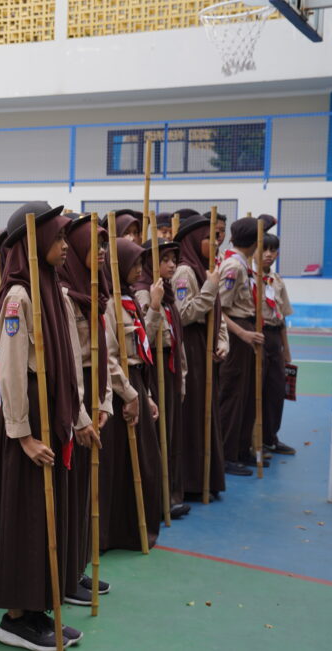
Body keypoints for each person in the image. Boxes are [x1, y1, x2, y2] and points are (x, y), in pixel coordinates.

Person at [0, 202, 93, 650]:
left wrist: (79, 416)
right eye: (58, 237)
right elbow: (9, 371)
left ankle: (38, 607)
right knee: (26, 517)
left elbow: (70, 362)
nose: (65, 246)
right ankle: (15, 617)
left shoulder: (54, 291)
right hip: (26, 420)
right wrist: (23, 435)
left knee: (48, 519)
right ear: (36, 241)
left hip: (53, 415)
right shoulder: (18, 297)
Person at [57, 215, 113, 604]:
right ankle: (67, 573)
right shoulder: (64, 295)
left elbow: (106, 352)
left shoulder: (95, 290)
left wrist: (105, 399)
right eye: (96, 245)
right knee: (72, 491)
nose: (103, 252)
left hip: (93, 390)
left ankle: (77, 567)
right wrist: (80, 413)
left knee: (84, 491)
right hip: (73, 396)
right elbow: (70, 363)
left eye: (105, 245)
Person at [100, 238, 162, 552]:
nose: (139, 270)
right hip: (118, 389)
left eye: (141, 264)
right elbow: (109, 357)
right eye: (134, 264)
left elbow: (142, 347)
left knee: (145, 463)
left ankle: (135, 528)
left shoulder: (130, 299)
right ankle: (113, 534)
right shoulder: (109, 304)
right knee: (116, 467)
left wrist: (145, 394)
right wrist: (129, 395)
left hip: (136, 381)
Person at [172, 215, 231, 496]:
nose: (215, 242)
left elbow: (216, 312)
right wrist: (209, 288)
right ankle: (192, 481)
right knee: (194, 414)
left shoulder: (206, 268)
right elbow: (183, 314)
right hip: (191, 346)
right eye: (209, 238)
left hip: (204, 344)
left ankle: (207, 478)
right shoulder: (185, 272)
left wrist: (222, 340)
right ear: (194, 241)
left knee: (206, 411)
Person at [134, 238, 190, 519]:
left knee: (171, 435)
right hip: (153, 369)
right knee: (158, 436)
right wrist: (154, 304)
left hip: (169, 369)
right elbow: (143, 338)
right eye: (164, 259)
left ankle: (170, 495)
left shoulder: (167, 293)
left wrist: (182, 375)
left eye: (173, 259)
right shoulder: (145, 293)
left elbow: (177, 338)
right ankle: (158, 501)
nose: (171, 265)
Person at [217, 217, 266, 474]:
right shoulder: (233, 267)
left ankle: (240, 449)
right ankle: (226, 454)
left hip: (246, 330)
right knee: (233, 394)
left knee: (246, 395)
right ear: (253, 241)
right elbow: (219, 310)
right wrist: (242, 334)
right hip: (236, 333)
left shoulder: (245, 265)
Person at [260, 233, 296, 456]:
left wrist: (286, 350)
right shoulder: (250, 279)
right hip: (258, 336)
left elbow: (281, 317)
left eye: (272, 250)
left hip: (274, 339)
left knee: (275, 391)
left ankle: (271, 438)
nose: (268, 254)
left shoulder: (277, 281)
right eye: (264, 249)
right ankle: (253, 441)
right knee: (256, 391)